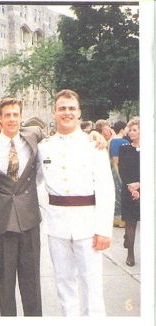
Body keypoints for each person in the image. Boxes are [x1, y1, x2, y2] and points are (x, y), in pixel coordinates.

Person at [37, 89, 114, 316]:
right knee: (64, 286)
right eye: (62, 109)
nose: (67, 113)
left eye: (71, 109)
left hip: (88, 226)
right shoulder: (44, 147)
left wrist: (103, 230)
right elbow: (33, 182)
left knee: (92, 287)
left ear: (79, 113)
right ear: (54, 113)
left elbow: (105, 188)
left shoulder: (94, 145)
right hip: (57, 226)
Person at [0, 97, 44, 316]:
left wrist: (95, 134)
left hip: (30, 218)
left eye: (16, 114)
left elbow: (61, 134)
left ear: (21, 116)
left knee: (32, 281)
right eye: (8, 115)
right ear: (0, 118)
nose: (12, 119)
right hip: (1, 219)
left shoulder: (33, 136)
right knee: (5, 281)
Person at [118, 117, 140, 267]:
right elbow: (122, 170)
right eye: (130, 130)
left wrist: (141, 185)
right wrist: (131, 187)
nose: (131, 132)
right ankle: (130, 254)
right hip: (128, 190)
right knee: (131, 222)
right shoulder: (125, 148)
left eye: (135, 130)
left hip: (146, 188)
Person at [109, 121, 129, 228]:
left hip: (115, 168)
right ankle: (120, 218)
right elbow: (116, 158)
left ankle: (117, 217)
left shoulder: (112, 141)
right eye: (126, 128)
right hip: (120, 169)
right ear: (122, 130)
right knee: (120, 192)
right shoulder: (122, 141)